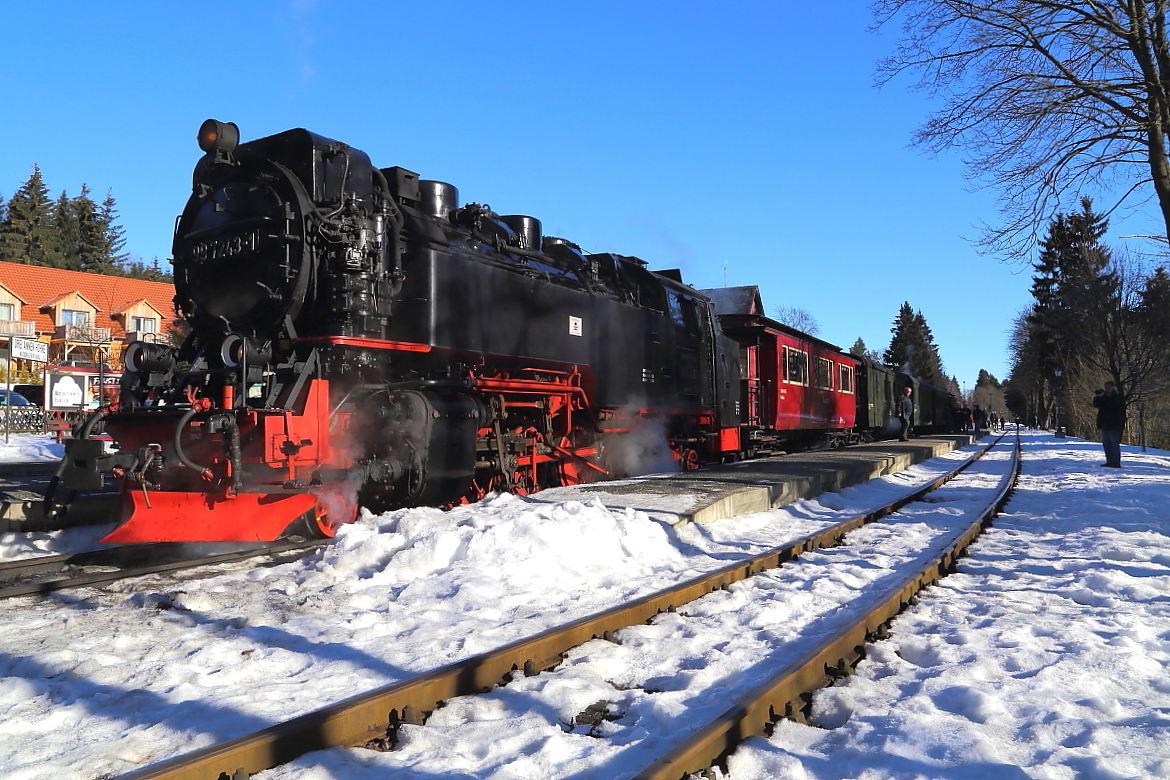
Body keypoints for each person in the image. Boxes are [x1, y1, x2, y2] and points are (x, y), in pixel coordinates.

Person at [1092, 381, 1125, 468]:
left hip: (1114, 424)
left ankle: (1116, 462)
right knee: (1106, 444)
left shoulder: (1117, 397)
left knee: (1114, 444)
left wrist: (1103, 398)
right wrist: (1097, 397)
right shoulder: (1104, 397)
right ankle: (1109, 461)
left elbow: (1111, 406)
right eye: (1105, 387)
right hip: (1104, 424)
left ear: (1112, 387)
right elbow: (1096, 405)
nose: (1107, 389)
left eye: (1108, 387)